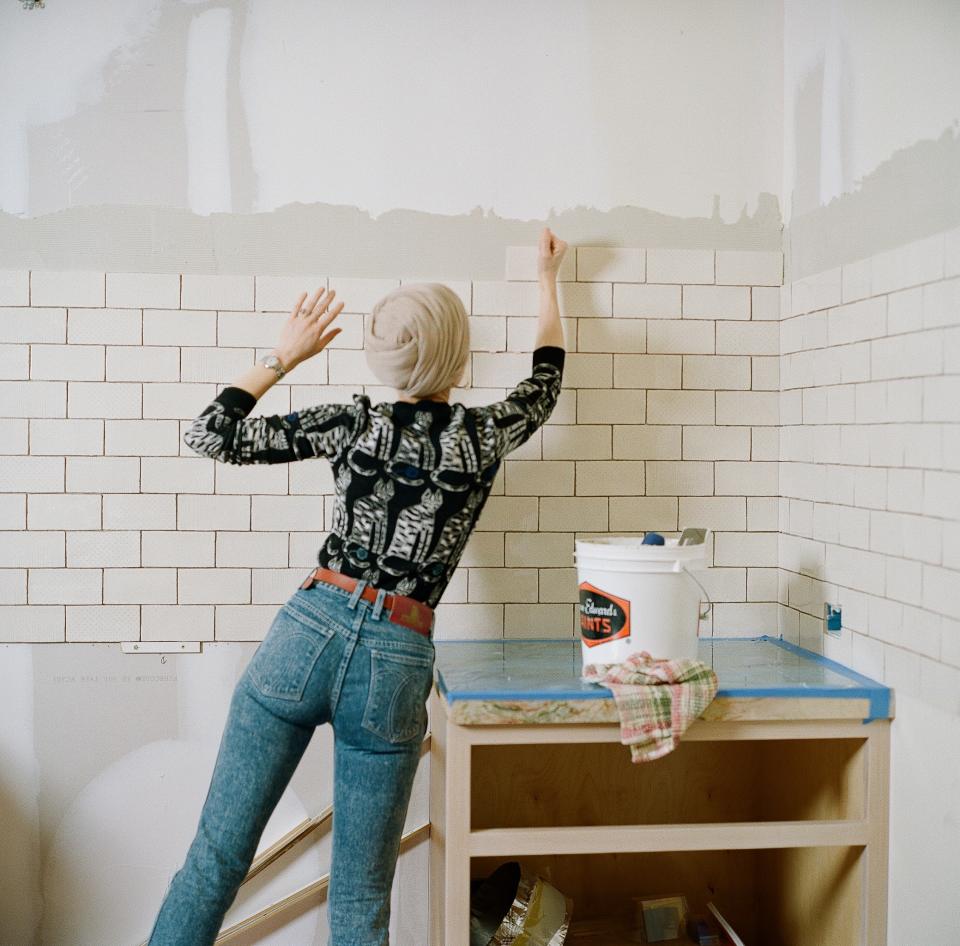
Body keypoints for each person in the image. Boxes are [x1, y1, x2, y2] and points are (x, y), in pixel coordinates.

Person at [146, 227, 569, 946]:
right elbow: (547, 378)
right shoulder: (483, 437)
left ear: (384, 361)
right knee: (362, 898)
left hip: (308, 629)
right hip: (396, 656)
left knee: (214, 862)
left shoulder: (353, 422)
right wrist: (547, 279)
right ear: (459, 357)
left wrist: (284, 354)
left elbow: (212, 434)